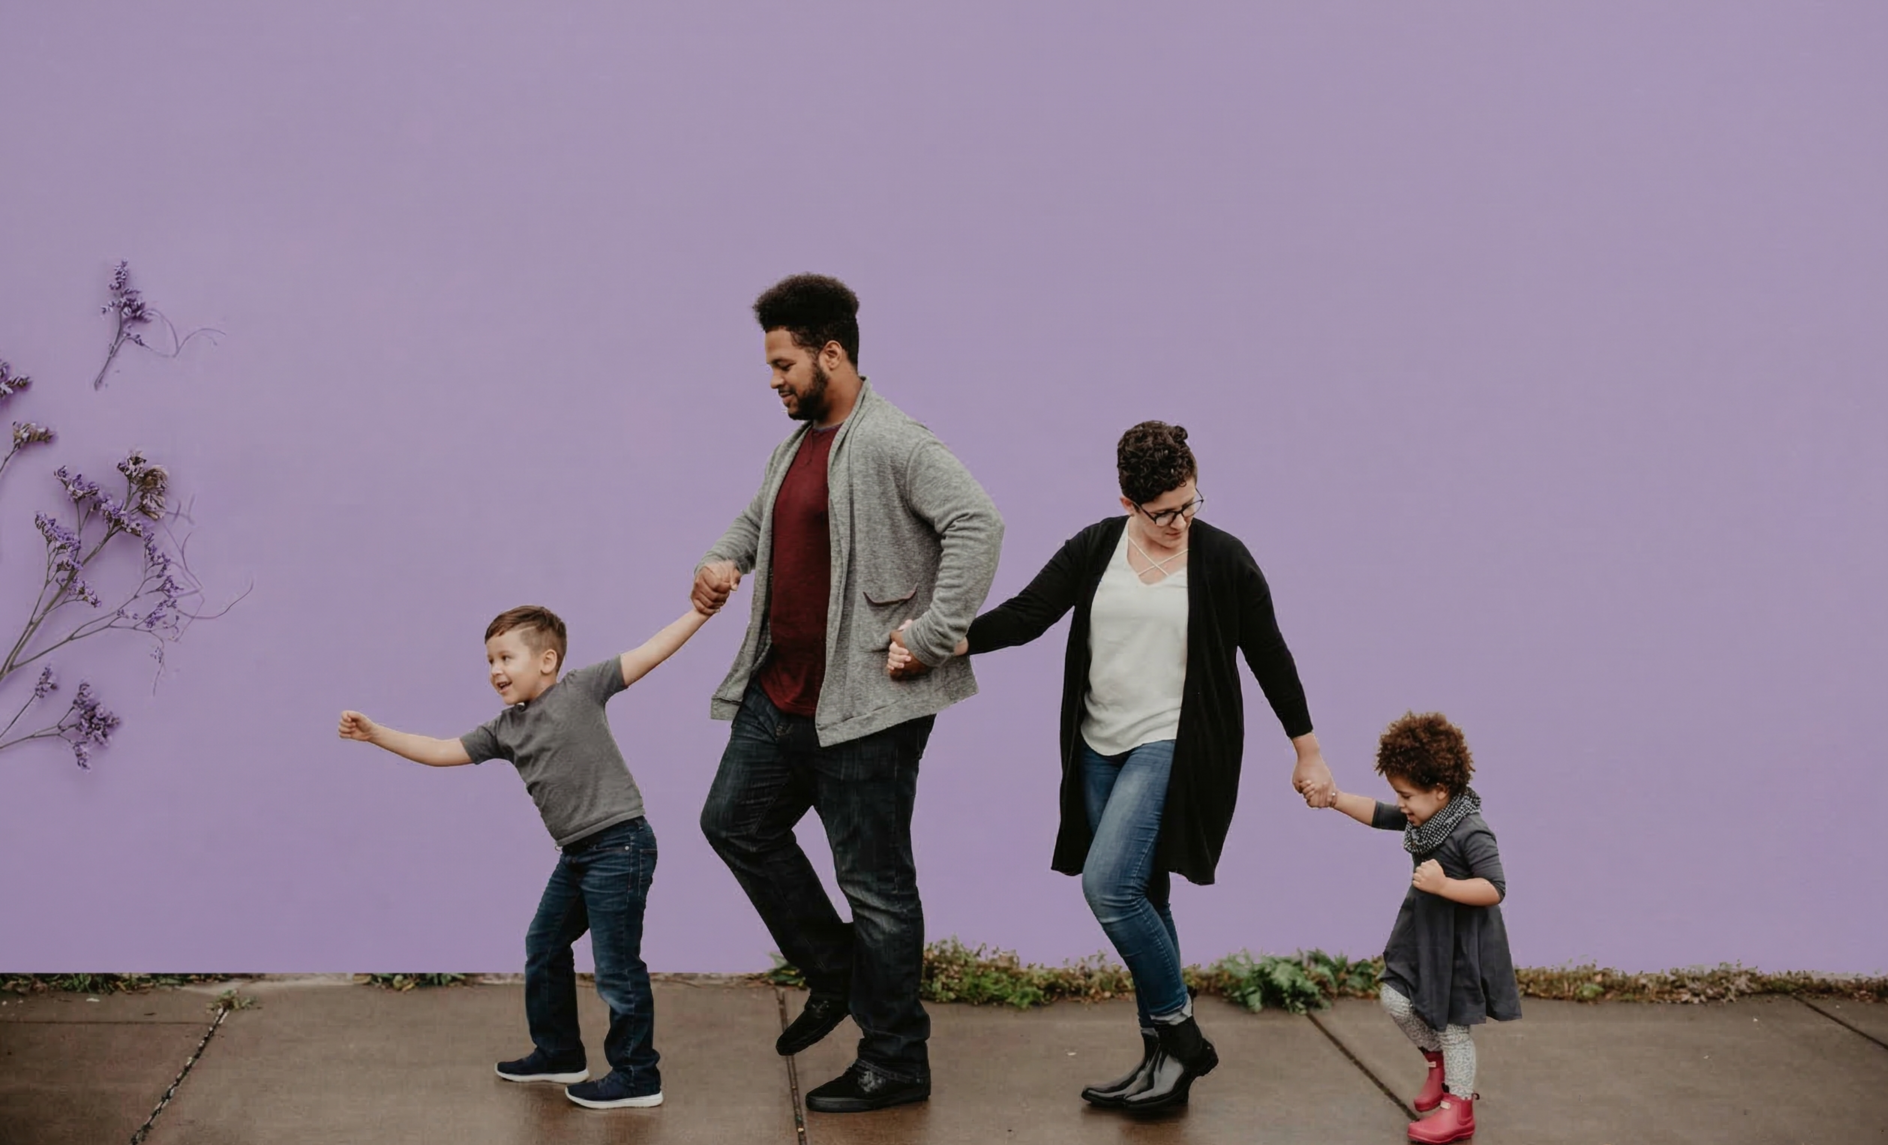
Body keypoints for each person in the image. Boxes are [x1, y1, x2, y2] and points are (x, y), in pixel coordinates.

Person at [889, 420, 1335, 1112]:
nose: (1181, 521)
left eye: (1191, 504)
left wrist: (1307, 749)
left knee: (1110, 886)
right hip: (1098, 745)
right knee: (1146, 895)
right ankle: (1163, 1064)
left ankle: (1183, 1037)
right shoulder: (1098, 547)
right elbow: (1029, 614)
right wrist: (940, 643)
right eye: (1164, 513)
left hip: (1174, 745)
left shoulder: (1224, 560)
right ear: (1129, 502)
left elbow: (1270, 655)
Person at [692, 274, 1003, 1113]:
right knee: (733, 822)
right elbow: (760, 518)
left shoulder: (894, 441)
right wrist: (724, 557)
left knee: (876, 884)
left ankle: (896, 1058)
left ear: (832, 353)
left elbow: (979, 522)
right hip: (781, 693)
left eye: (784, 362)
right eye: (771, 364)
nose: (774, 379)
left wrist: (933, 635)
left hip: (863, 707)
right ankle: (836, 975)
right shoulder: (797, 444)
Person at [337, 602, 718, 1110]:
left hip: (620, 845)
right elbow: (440, 749)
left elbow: (651, 651)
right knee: (544, 943)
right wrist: (375, 734)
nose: (496, 670)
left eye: (506, 658)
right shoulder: (505, 730)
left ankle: (636, 1074)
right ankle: (559, 1052)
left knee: (615, 966)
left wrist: (699, 612)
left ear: (546, 660)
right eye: (490, 661)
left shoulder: (582, 689)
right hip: (578, 854)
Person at [1323, 711, 1521, 1144]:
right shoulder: (1425, 817)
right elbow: (1378, 814)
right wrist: (1335, 798)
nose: (1403, 804)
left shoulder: (1471, 830)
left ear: (1441, 789)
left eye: (1407, 795)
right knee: (1395, 998)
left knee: (1453, 1026)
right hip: (1423, 932)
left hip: (1459, 941)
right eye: (1399, 794)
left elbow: (1495, 887)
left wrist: (1445, 884)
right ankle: (1438, 1062)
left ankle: (1459, 1107)